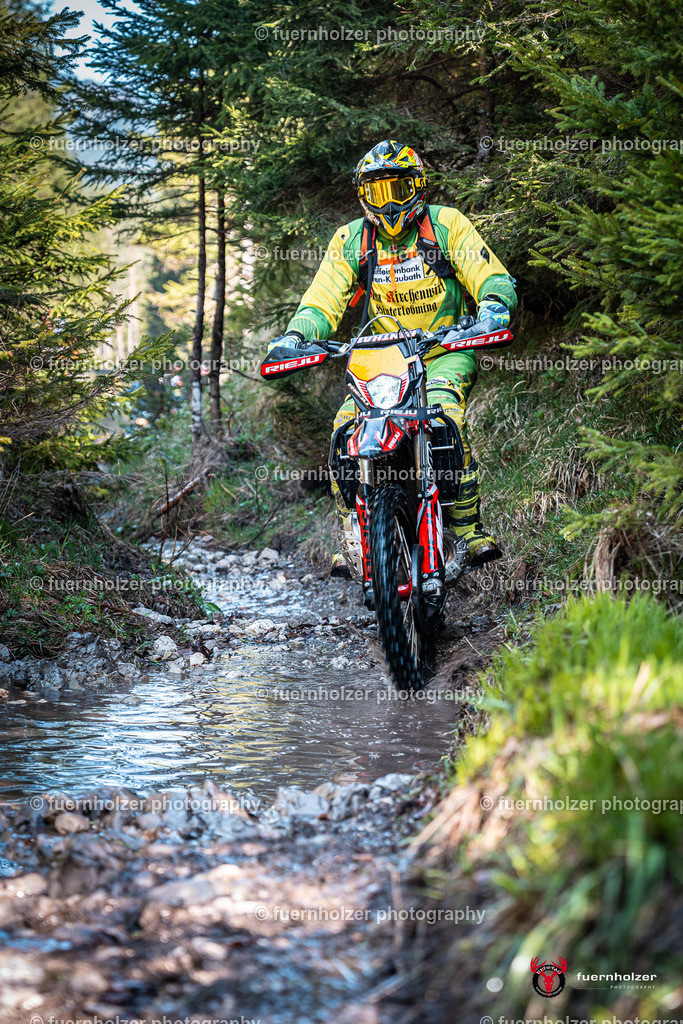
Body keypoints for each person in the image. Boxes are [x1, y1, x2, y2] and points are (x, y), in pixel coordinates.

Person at [267, 139, 517, 574]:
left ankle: (468, 530)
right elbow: (321, 301)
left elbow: (487, 271)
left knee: (444, 418)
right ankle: (355, 534)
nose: (389, 202)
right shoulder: (352, 239)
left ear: (417, 187)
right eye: (377, 191)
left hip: (443, 349)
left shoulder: (445, 225)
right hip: (378, 358)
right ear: (363, 195)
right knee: (345, 430)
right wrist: (295, 336)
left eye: (398, 189)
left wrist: (493, 306)